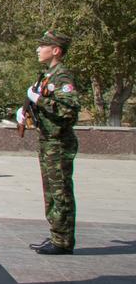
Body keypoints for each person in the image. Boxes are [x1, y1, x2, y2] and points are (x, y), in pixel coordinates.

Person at [22, 31, 81, 255]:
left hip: (59, 142)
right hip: (48, 140)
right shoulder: (48, 76)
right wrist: (27, 109)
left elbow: (68, 110)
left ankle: (63, 240)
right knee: (51, 192)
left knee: (61, 192)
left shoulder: (62, 77)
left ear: (56, 50)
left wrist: (40, 99)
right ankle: (57, 235)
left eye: (43, 45)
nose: (38, 49)